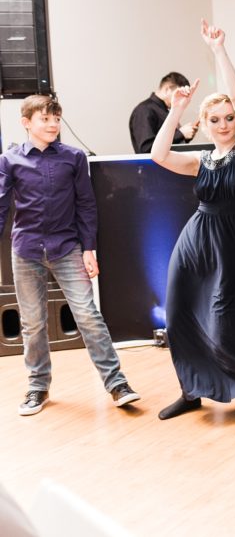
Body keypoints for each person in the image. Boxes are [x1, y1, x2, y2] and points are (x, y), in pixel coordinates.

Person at [150, 20, 235, 424]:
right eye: (217, 120)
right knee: (179, 315)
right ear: (206, 125)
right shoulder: (201, 160)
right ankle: (191, 390)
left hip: (227, 248)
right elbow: (158, 155)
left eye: (229, 118)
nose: (225, 124)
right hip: (193, 243)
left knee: (227, 322)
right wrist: (176, 110)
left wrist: (218, 51)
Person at [1, 95, 140, 416]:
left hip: (67, 249)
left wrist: (89, 248)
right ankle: (37, 387)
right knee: (32, 324)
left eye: (56, 119)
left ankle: (117, 384)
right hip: (26, 251)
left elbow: (86, 205)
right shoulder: (9, 161)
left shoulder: (74, 158)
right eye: (44, 119)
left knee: (88, 315)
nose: (52, 124)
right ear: (26, 123)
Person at [129, 71, 200, 153]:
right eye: (180, 94)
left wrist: (185, 136)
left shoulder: (165, 111)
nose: (182, 98)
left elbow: (167, 146)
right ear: (167, 89)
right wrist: (180, 134)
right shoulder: (144, 110)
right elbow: (146, 148)